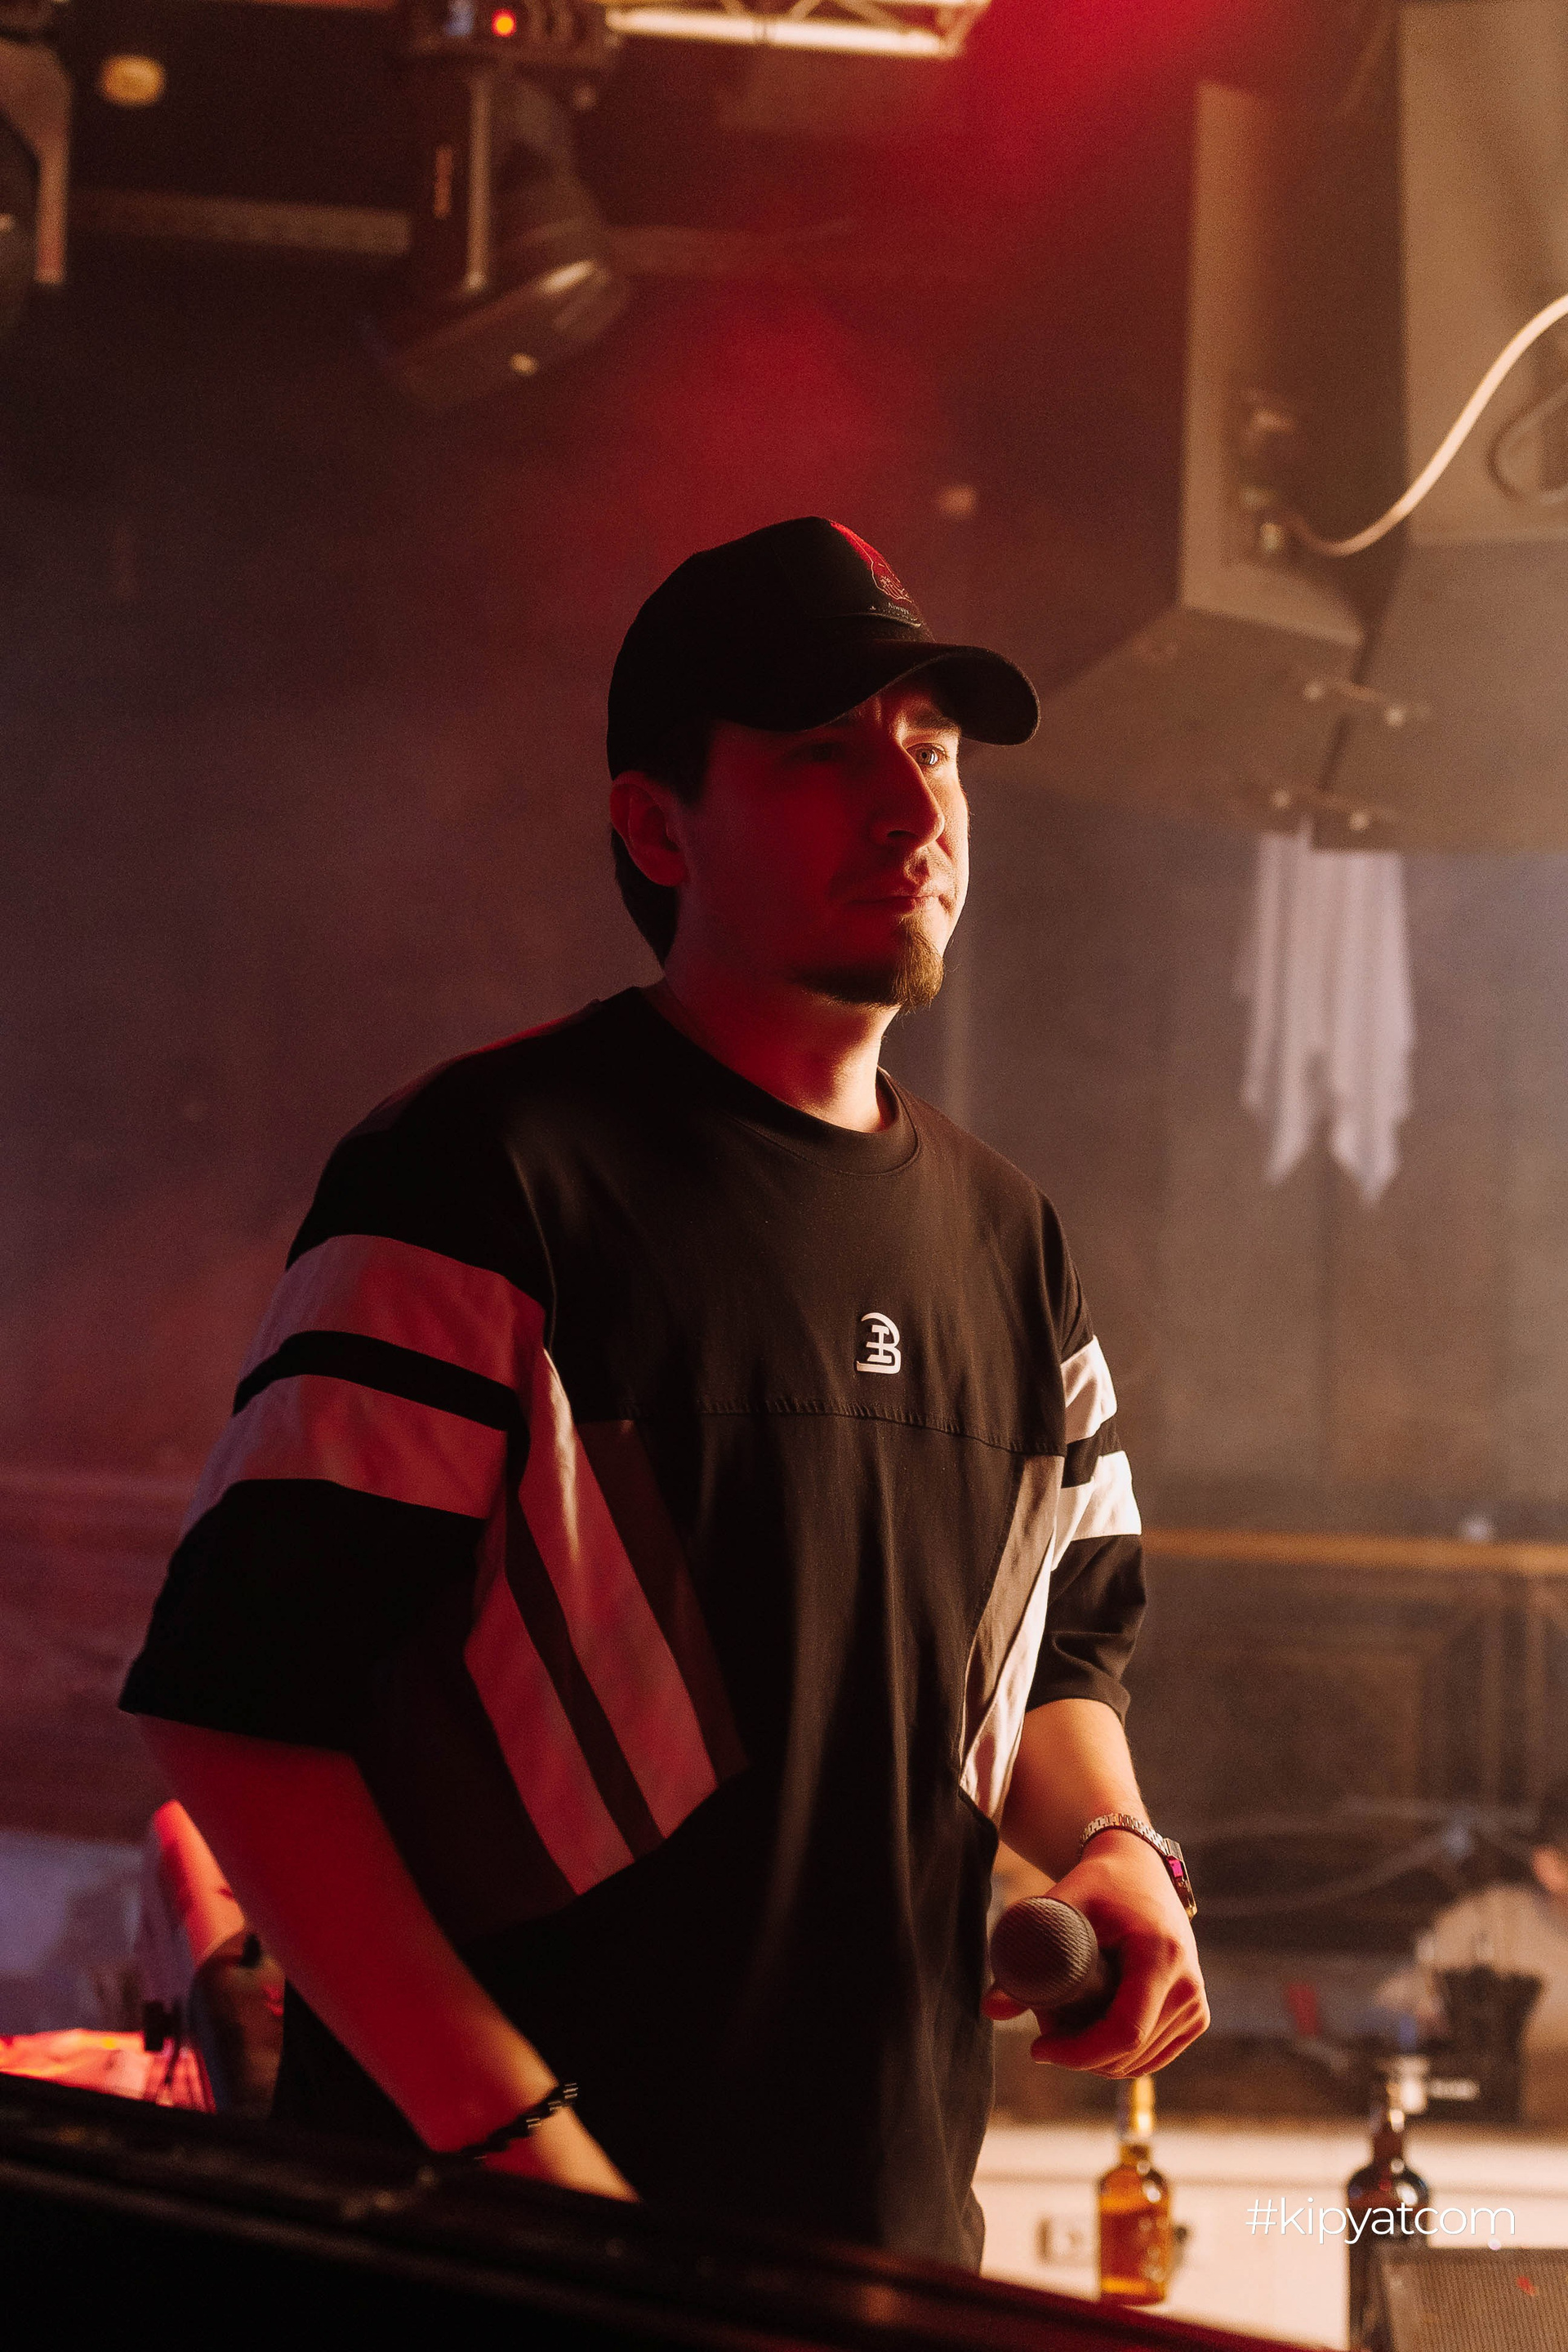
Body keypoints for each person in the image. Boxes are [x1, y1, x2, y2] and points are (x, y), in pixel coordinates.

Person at [121, 516, 1207, 2265]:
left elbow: (1062, 1647)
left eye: (935, 751)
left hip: (885, 2252)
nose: (913, 808)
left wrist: (1119, 1844)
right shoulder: (482, 1175)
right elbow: (239, 1712)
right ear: (655, 826)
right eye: (823, 754)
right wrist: (517, 2142)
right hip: (494, 2264)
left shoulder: (1012, 1242)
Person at [1376, 1779, 1568, 2124]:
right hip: (1501, 2143)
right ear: (1551, 1867)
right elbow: (1390, 2009)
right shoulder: (1491, 1925)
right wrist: (1431, 2013)